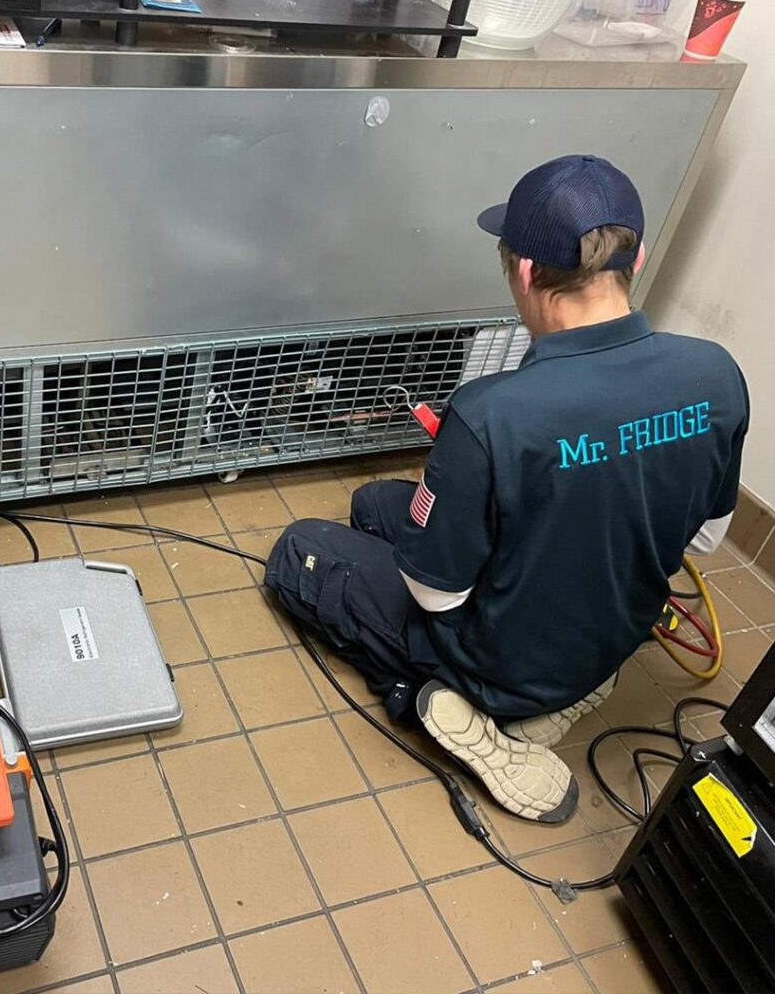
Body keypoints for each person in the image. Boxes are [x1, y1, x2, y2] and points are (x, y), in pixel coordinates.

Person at [265, 155, 749, 823]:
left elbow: (436, 595)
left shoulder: (491, 413)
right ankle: (567, 686)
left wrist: (473, 501)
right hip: (612, 635)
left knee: (299, 553)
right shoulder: (715, 373)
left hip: (503, 662)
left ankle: (456, 706)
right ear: (633, 262)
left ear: (524, 272)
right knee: (372, 506)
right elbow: (704, 538)